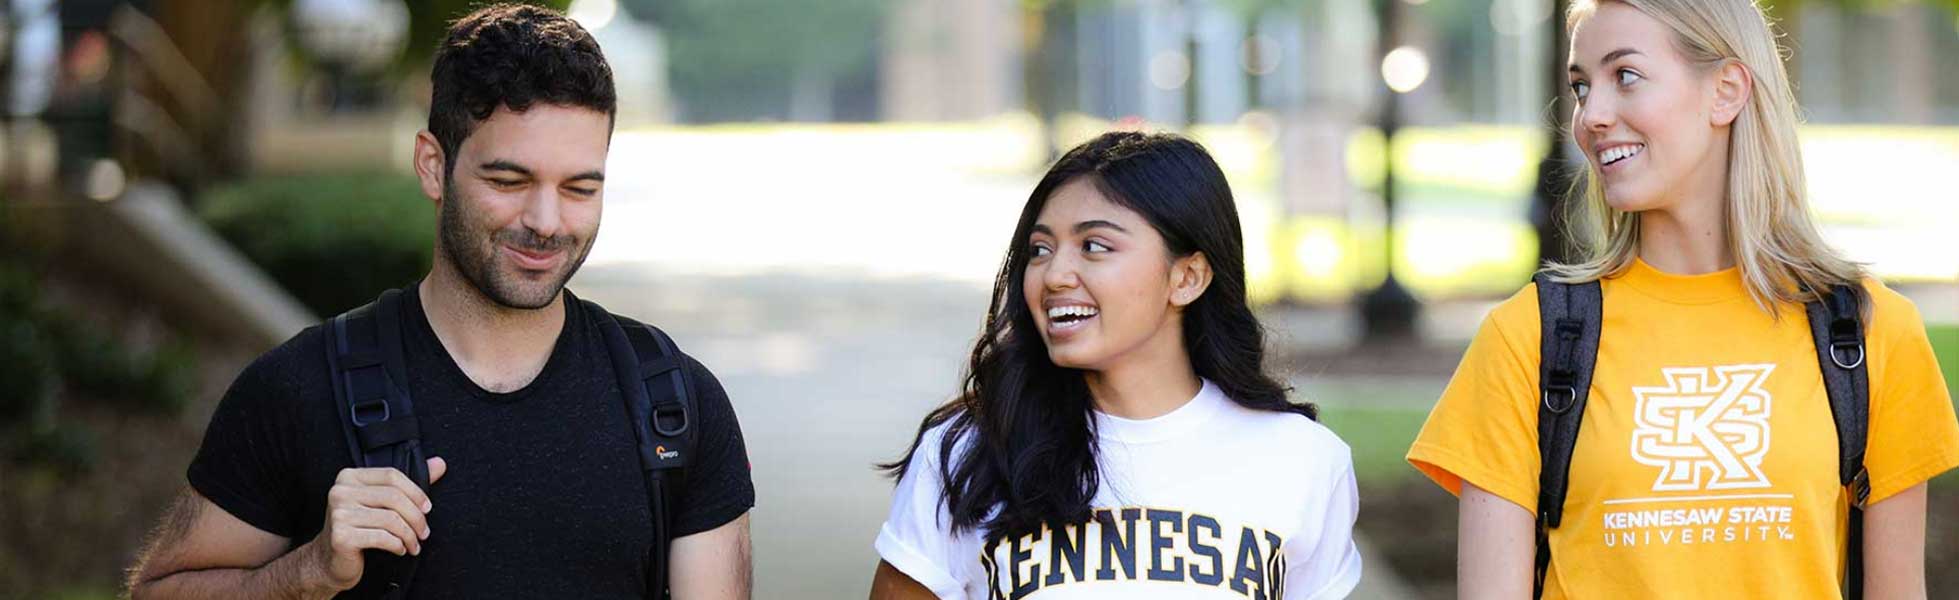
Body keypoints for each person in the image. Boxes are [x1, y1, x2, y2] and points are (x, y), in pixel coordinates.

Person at [125, 5, 754, 598]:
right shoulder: (300, 390)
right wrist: (307, 572)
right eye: (508, 181)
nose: (546, 220)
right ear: (432, 165)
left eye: (579, 188)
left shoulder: (674, 403)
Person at [1406, 1, 1958, 598]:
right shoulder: (1530, 337)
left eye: (1626, 76)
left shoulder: (1869, 332)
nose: (1591, 115)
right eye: (1581, 86)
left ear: (1726, 91)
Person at [868, 131, 1363, 599]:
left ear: (1187, 277)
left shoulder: (1304, 462)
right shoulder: (965, 454)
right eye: (1040, 250)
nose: (1055, 274)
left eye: (1094, 246)